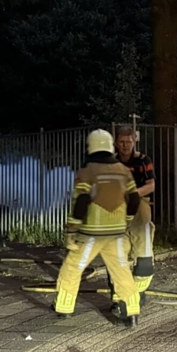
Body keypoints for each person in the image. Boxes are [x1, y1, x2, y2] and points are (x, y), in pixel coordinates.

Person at [54, 129, 142, 326]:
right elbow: (134, 198)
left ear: (91, 147)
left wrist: (72, 230)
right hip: (117, 233)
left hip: (91, 234)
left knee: (72, 267)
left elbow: (81, 201)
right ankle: (131, 312)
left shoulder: (88, 171)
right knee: (121, 271)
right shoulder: (123, 171)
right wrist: (127, 219)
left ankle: (64, 308)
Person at [113, 126, 156, 306]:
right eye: (122, 142)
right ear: (116, 143)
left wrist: (133, 193)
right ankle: (119, 295)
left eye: (128, 142)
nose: (125, 145)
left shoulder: (143, 160)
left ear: (134, 141)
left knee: (142, 243)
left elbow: (151, 185)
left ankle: (139, 288)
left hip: (139, 203)